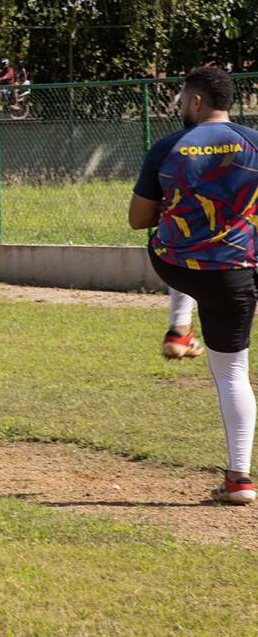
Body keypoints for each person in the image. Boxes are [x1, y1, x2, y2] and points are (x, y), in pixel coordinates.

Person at [130, 65, 258, 504]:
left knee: (172, 237)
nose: (180, 105)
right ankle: (239, 478)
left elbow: (138, 220)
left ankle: (179, 328)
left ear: (197, 101)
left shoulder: (168, 147)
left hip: (183, 268)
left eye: (182, 98)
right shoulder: (254, 142)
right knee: (234, 373)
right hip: (240, 272)